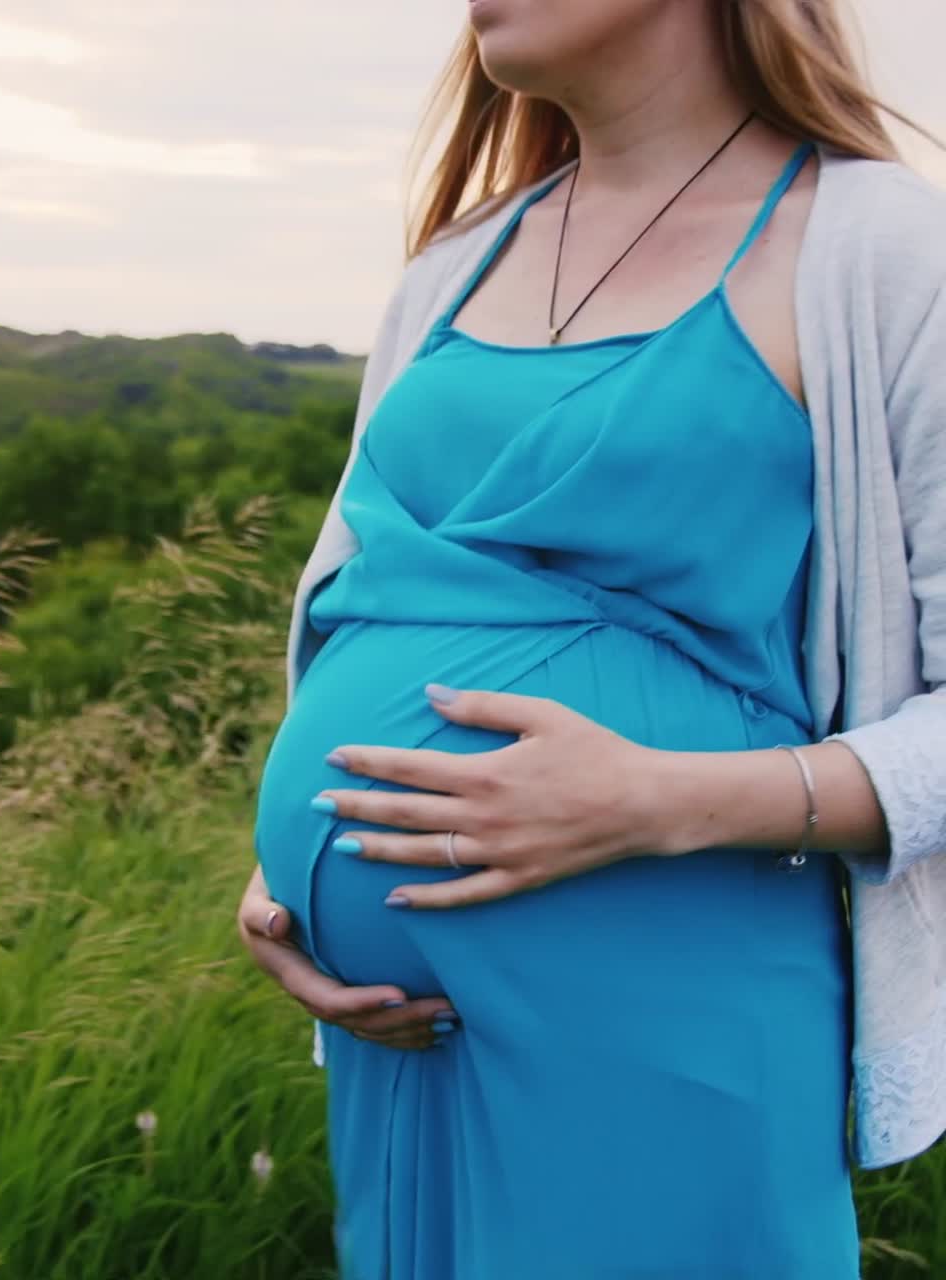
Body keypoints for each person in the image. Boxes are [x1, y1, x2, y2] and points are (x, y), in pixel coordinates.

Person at [238, 1, 946, 1276]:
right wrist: (297, 875)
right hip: (404, 1038)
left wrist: (653, 801)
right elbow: (376, 599)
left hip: (670, 1006)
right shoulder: (451, 266)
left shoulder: (886, 249)